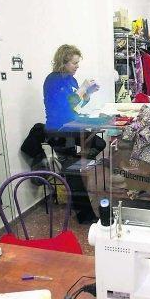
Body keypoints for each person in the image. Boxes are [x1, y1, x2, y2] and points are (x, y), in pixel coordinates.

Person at [43, 44, 104, 224]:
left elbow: (76, 107)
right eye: (74, 63)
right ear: (63, 62)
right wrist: (83, 88)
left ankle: (78, 161)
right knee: (74, 172)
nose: (77, 66)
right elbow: (65, 106)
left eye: (78, 63)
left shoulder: (71, 80)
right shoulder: (53, 80)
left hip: (72, 126)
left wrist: (87, 95)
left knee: (99, 143)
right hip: (58, 130)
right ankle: (85, 216)